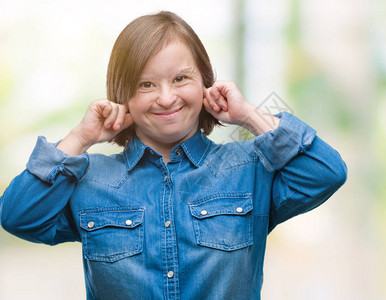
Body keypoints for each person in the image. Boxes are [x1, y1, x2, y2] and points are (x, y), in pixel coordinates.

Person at [0, 11, 347, 300]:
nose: (166, 98)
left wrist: (249, 116)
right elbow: (17, 215)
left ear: (204, 84)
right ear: (123, 95)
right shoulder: (88, 180)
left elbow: (327, 172)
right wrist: (80, 137)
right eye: (146, 84)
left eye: (181, 78)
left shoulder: (251, 169)